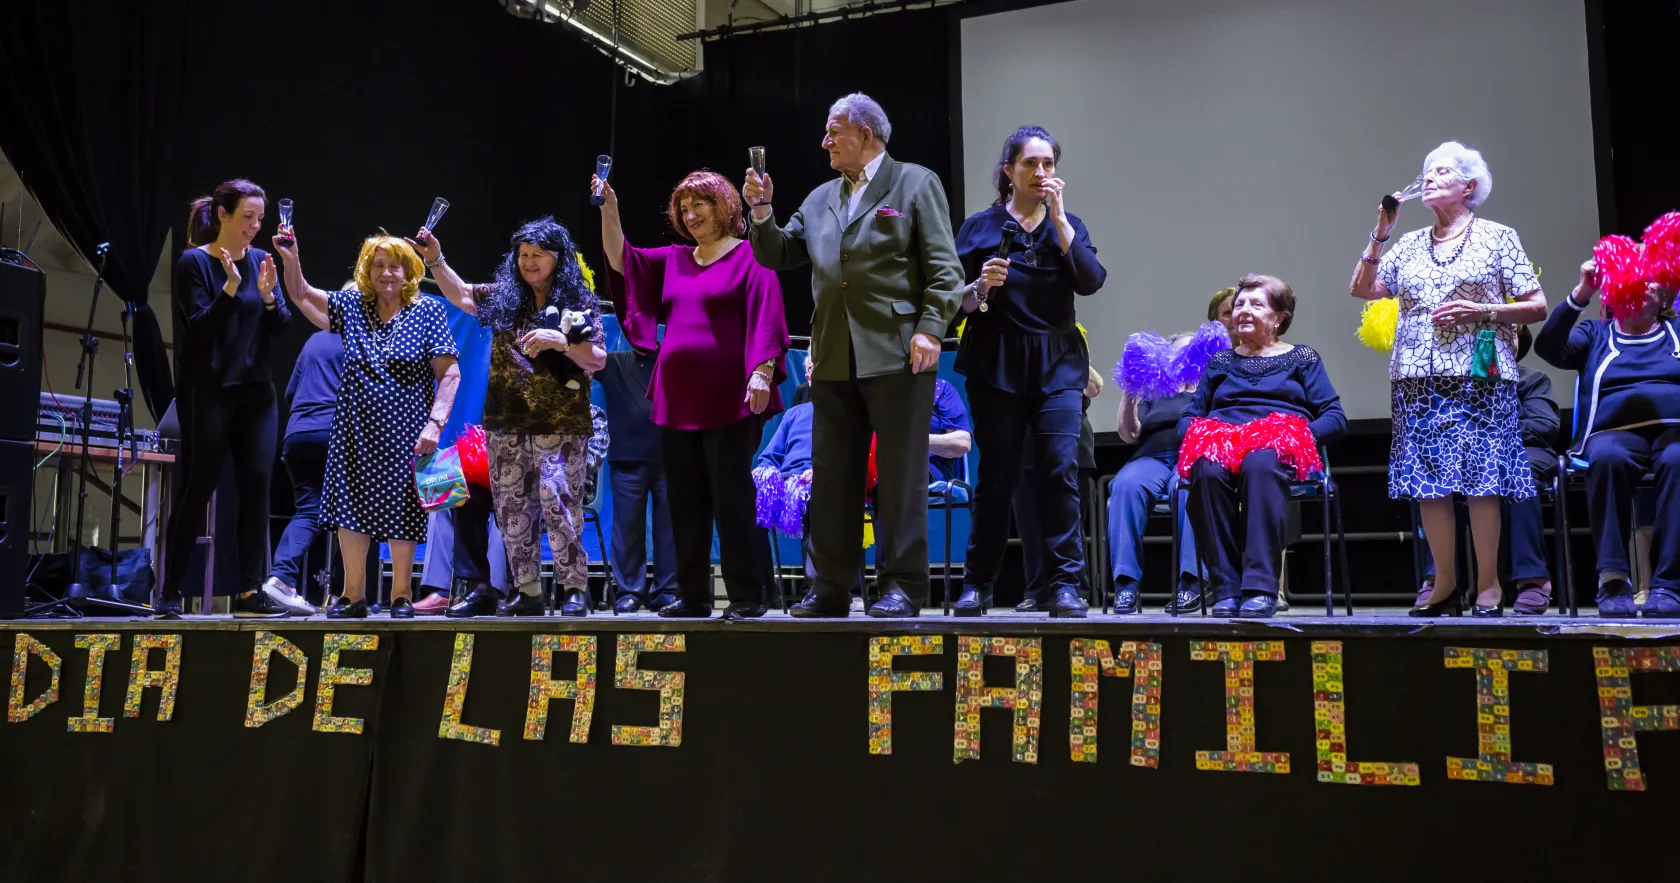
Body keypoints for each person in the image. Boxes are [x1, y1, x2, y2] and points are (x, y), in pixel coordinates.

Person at [745, 92, 964, 618]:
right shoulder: (820, 198)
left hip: (896, 353)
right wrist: (761, 211)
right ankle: (830, 588)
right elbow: (778, 252)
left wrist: (931, 328)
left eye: (833, 131)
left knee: (900, 478)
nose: (824, 142)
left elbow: (946, 270)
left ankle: (903, 587)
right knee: (834, 476)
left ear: (866, 134)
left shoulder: (914, 183)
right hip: (834, 356)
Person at [1351, 141, 1547, 617]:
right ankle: (1444, 584)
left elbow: (1537, 304)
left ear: (1469, 186)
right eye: (1427, 173)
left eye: (1442, 172)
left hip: (1480, 372)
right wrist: (1381, 234)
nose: (1430, 179)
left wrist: (1482, 309)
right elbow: (1362, 288)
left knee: (1482, 480)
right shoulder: (1411, 244)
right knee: (1429, 484)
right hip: (1417, 378)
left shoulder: (1499, 237)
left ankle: (1487, 585)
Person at [598, 170, 789, 621]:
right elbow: (621, 260)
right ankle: (693, 596)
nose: (689, 214)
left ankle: (747, 594)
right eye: (683, 208)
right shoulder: (675, 259)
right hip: (677, 396)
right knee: (684, 500)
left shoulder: (751, 257)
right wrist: (610, 211)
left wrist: (762, 372)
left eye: (699, 204)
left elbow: (768, 315)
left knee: (731, 496)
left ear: (722, 206)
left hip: (731, 397)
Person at [948, 126, 1106, 619]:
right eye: (1031, 164)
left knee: (1060, 471)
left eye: (1049, 165)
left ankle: (1065, 586)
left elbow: (1092, 281)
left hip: (1058, 364)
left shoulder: (1069, 224)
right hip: (996, 363)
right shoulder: (979, 227)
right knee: (997, 475)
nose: (1041, 173)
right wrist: (979, 287)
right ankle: (979, 584)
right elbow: (955, 303)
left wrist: (1061, 225)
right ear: (1008, 171)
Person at [416, 218, 607, 617]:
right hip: (506, 423)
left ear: (558, 258)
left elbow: (598, 359)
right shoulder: (506, 297)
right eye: (523, 255)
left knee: (558, 501)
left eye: (538, 254)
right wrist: (435, 260)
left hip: (560, 425)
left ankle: (573, 588)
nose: (528, 262)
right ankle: (529, 591)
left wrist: (562, 341)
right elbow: (462, 295)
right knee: (512, 509)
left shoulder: (578, 301)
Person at [272, 228, 461, 619]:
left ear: (409, 271)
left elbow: (450, 373)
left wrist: (435, 424)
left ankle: (401, 595)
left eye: (395, 266)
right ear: (366, 270)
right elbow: (302, 295)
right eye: (378, 265)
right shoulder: (353, 306)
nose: (386, 273)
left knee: (405, 510)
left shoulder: (428, 310)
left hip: (409, 431)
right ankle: (352, 595)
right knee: (350, 510)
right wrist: (291, 260)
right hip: (354, 430)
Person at [159, 179, 292, 619]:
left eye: (259, 218)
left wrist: (270, 297)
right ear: (222, 215)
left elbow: (279, 327)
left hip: (257, 394)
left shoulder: (259, 261)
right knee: (199, 487)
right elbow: (198, 327)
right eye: (247, 217)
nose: (255, 227)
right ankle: (170, 592)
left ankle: (250, 591)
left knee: (257, 486)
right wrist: (231, 289)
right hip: (210, 390)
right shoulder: (193, 262)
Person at [1181, 275, 1347, 618]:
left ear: (1279, 317)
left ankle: (1259, 588)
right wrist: (1201, 436)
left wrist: (1297, 437)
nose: (1243, 310)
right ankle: (1226, 589)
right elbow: (1190, 416)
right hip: (1223, 443)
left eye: (1256, 305)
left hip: (1279, 445)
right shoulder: (1220, 363)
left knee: (1261, 462)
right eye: (1240, 304)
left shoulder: (1302, 358)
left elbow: (1335, 416)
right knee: (1206, 468)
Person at [1535, 258, 1680, 617]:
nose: (1642, 286)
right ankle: (1613, 579)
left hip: (1675, 430)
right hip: (1612, 433)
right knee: (1607, 459)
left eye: (1651, 281)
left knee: (1679, 460)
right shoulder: (1595, 333)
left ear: (1665, 297)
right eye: (1634, 280)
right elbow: (1548, 348)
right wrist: (1583, 289)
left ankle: (1668, 584)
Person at [756, 360, 969, 596]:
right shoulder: (870, 396)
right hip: (870, 466)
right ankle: (817, 590)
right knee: (835, 484)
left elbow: (962, 443)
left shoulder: (941, 389)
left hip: (922, 466)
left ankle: (887, 586)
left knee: (882, 479)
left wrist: (909, 440)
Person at [1418, 327, 1559, 614]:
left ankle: (1532, 581)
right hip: (1470, 457)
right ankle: (1441, 582)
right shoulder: (1459, 384)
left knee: (1520, 473)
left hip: (1522, 452)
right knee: (1440, 478)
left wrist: (1491, 438)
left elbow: (1544, 427)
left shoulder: (1532, 380)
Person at [1109, 334, 1205, 614]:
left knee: (1188, 486)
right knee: (1125, 485)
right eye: (1179, 352)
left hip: (1190, 455)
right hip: (1151, 457)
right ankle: (1125, 585)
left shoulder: (1208, 387)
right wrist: (1129, 396)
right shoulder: (1154, 389)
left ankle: (1192, 583)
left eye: (1192, 351)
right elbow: (1129, 434)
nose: (1186, 357)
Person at [261, 326, 343, 615]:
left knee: (308, 510)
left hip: (296, 434)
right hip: (332, 432)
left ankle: (281, 577)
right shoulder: (360, 339)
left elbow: (291, 392)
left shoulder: (313, 340)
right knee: (357, 516)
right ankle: (346, 595)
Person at [1013, 364, 1103, 612]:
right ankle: (1037, 592)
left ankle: (1074, 589)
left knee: (1069, 520)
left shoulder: (1070, 351)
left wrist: (1069, 350)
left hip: (1071, 447)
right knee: (1029, 524)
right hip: (1026, 445)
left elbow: (1094, 388)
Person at [597, 347, 678, 613]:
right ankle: (629, 591)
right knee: (627, 527)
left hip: (670, 455)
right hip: (627, 458)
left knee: (670, 530)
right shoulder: (613, 362)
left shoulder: (673, 359)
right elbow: (581, 358)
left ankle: (667, 590)